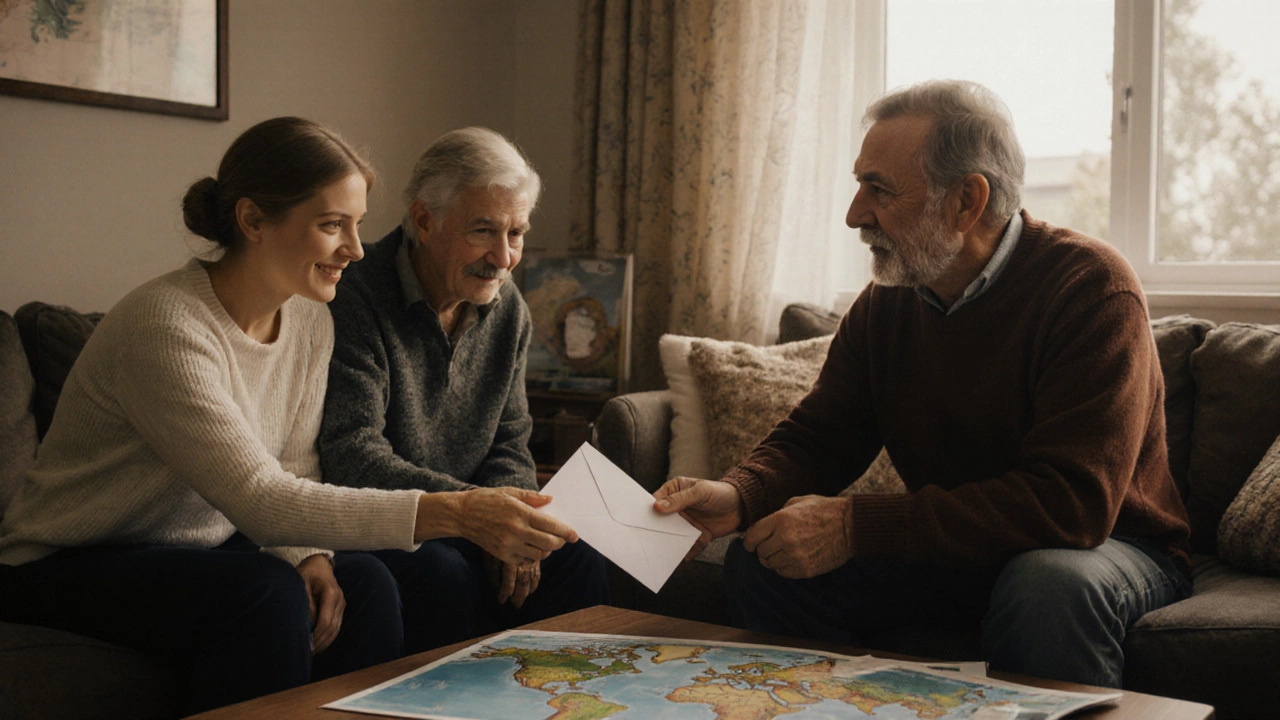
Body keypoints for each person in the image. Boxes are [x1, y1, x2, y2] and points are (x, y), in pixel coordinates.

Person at [0, 117, 579, 714]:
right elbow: (259, 495)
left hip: (197, 549)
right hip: (67, 561)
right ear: (253, 221)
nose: (356, 249)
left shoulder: (308, 320)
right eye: (332, 225)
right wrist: (459, 512)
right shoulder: (166, 326)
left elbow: (299, 465)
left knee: (366, 584)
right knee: (266, 594)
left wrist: (308, 554)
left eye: (357, 225)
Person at [653, 80, 1193, 689]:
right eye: (859, 185)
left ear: (967, 200)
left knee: (1046, 583)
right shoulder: (888, 301)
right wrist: (739, 494)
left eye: (879, 189)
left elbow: (1072, 505)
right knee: (765, 563)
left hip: (1111, 547)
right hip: (962, 551)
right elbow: (822, 435)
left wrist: (855, 525)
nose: (855, 214)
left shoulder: (1091, 289)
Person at [318, 127, 610, 653]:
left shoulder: (508, 307)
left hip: (474, 514)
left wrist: (511, 520)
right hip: (391, 521)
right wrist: (479, 513)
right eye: (483, 230)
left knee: (577, 554)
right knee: (442, 570)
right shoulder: (355, 297)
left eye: (516, 233)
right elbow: (352, 455)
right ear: (424, 220)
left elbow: (509, 441)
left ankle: (565, 695)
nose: (503, 257)